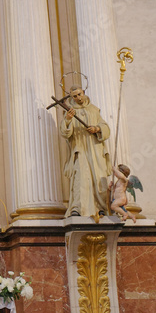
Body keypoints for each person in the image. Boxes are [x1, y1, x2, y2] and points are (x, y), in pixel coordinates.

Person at [60, 87, 111, 220]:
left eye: (80, 94)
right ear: (71, 97)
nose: (78, 98)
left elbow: (105, 127)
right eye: (75, 96)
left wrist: (97, 128)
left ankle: (101, 208)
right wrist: (68, 120)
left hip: (95, 149)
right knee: (81, 177)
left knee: (98, 177)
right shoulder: (70, 111)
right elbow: (65, 133)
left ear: (84, 92)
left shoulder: (94, 109)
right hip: (80, 148)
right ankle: (78, 208)